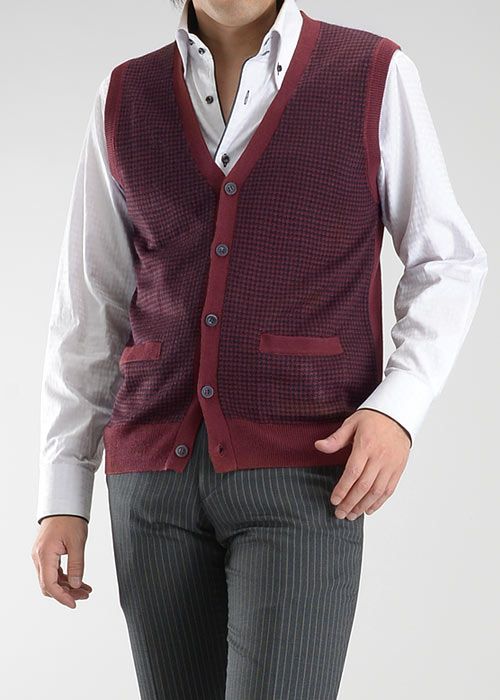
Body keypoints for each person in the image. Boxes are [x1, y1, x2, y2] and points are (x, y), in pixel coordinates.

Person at [31, 1, 488, 698]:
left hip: (305, 471)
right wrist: (63, 490)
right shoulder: (123, 95)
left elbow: (448, 261)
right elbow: (90, 305)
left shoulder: (372, 73)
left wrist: (398, 407)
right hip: (151, 481)